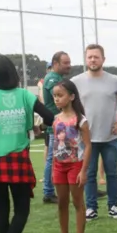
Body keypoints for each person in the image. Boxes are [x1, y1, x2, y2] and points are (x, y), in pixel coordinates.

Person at [0, 55, 55, 233]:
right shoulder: (23, 95)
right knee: (22, 209)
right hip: (17, 158)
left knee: (0, 209)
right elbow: (50, 117)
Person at [71, 44, 117, 221]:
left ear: (103, 59)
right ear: (86, 59)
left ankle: (113, 206)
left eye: (96, 57)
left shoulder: (115, 81)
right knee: (90, 173)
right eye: (89, 57)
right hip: (87, 138)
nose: (92, 60)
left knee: (112, 173)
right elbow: (70, 106)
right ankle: (91, 208)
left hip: (110, 137)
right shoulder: (76, 82)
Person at [47, 80, 92, 233]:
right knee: (61, 203)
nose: (56, 99)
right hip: (59, 166)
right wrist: (51, 168)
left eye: (60, 95)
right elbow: (54, 146)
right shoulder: (56, 119)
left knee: (77, 202)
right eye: (55, 96)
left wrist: (83, 170)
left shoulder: (81, 120)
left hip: (75, 165)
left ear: (72, 97)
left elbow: (88, 145)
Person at [42, 51, 72, 204]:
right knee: (53, 159)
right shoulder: (53, 78)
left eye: (69, 62)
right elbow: (61, 95)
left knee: (62, 156)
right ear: (55, 64)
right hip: (56, 124)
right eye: (65, 63)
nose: (69, 65)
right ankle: (48, 191)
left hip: (59, 123)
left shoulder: (58, 78)